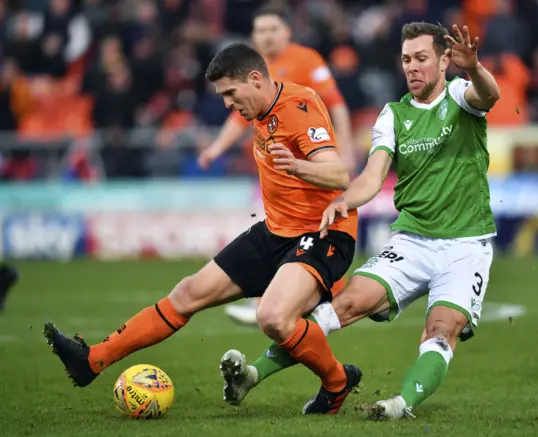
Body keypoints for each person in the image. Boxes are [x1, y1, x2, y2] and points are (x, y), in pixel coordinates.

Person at [43, 42, 362, 415]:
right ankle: (91, 360)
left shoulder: (298, 107)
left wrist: (296, 166)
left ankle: (337, 383)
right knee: (188, 292)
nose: (227, 103)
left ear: (255, 79)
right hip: (277, 232)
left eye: (230, 93)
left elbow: (339, 173)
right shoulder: (260, 111)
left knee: (273, 317)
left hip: (324, 233)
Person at [218, 22, 501, 420]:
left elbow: (489, 94)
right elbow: (371, 177)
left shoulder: (459, 95)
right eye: (406, 60)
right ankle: (252, 374)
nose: (412, 67)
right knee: (342, 305)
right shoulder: (393, 115)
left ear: (443, 60)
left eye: (421, 58)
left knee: (440, 331)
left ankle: (401, 405)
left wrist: (472, 68)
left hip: (466, 246)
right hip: (412, 240)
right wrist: (342, 201)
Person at [198, 5, 355, 327]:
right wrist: (216, 148)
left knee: (310, 226)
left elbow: (335, 104)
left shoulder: (307, 60)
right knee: (276, 223)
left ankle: (323, 296)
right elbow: (237, 118)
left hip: (311, 154)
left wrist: (346, 149)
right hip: (277, 160)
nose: (266, 36)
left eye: (272, 29)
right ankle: (278, 295)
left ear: (287, 32)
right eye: (260, 31)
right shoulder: (250, 70)